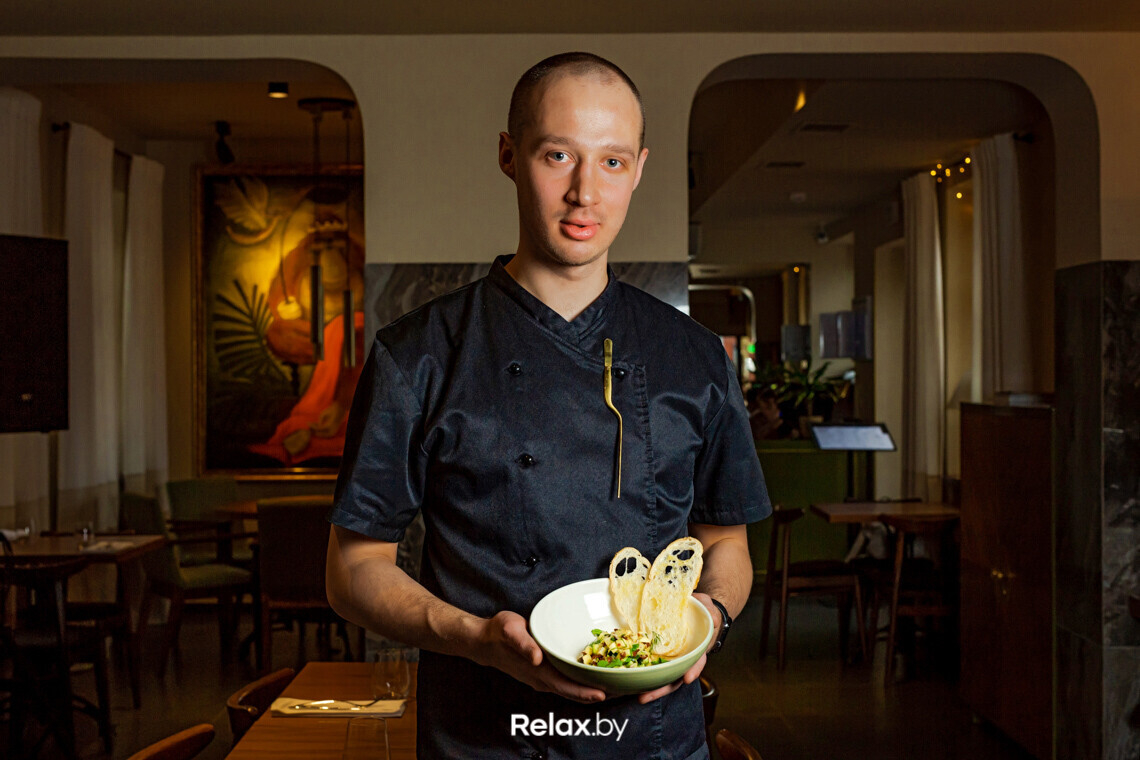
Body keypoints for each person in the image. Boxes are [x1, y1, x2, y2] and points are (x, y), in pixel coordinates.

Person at [325, 52, 771, 759]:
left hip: (653, 740)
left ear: (640, 169)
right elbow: (353, 569)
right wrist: (474, 636)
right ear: (509, 155)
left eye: (613, 162)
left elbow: (725, 544)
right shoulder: (418, 354)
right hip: (484, 735)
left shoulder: (694, 355)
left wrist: (708, 618)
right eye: (558, 155)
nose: (585, 192)